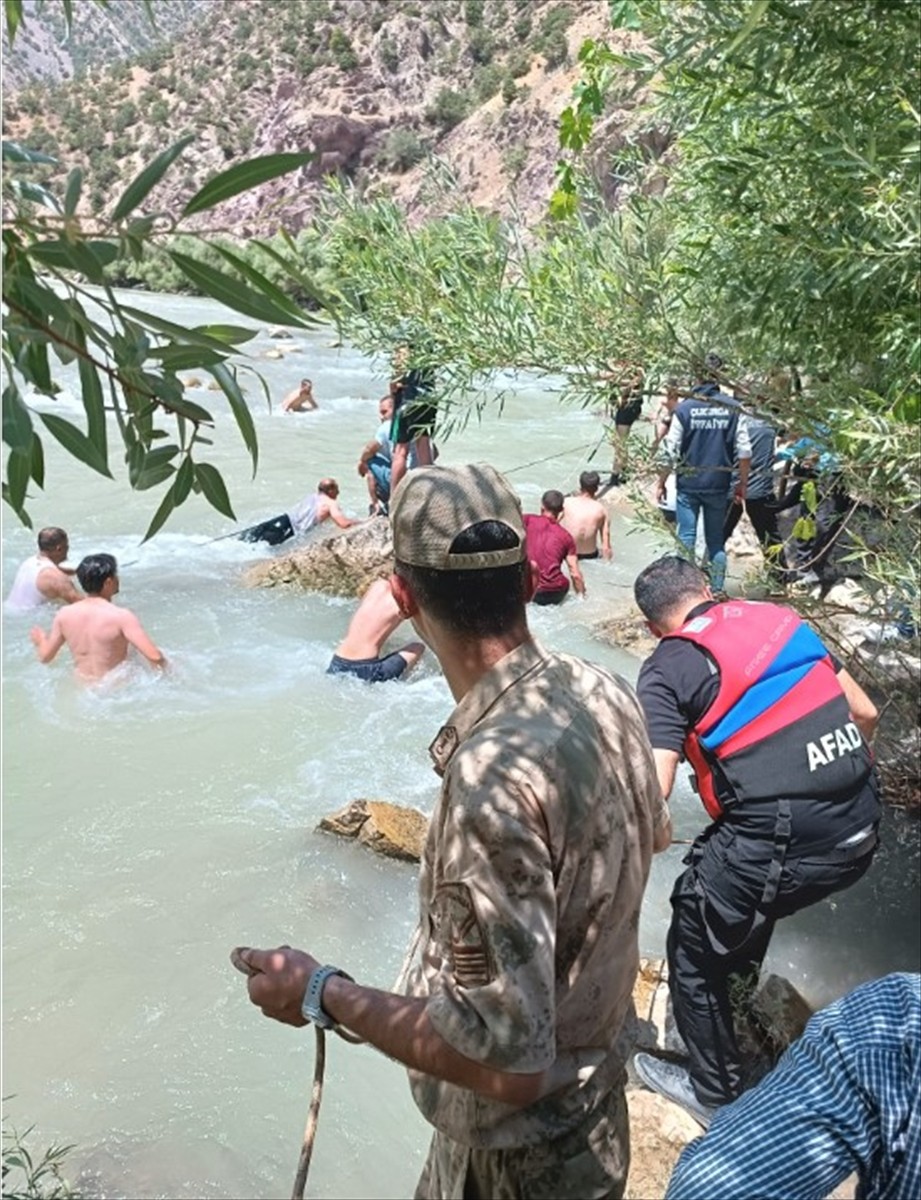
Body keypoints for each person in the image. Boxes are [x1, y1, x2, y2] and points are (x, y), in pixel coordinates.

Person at [235, 462, 669, 1200]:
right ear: (530, 583)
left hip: (510, 1165)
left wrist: (321, 993)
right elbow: (647, 840)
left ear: (401, 598)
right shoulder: (603, 690)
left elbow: (507, 1065)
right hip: (592, 1124)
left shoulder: (492, 778)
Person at [631, 555, 881, 1128]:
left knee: (693, 941)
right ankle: (739, 1013)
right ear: (707, 590)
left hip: (786, 842)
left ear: (652, 627)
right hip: (862, 826)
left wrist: (648, 840)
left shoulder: (669, 665)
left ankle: (714, 1092)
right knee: (741, 900)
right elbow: (864, 713)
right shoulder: (780, 619)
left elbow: (656, 788)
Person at [665, 973, 921, 1200]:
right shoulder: (896, 1020)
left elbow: (709, 1189)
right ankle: (718, 1091)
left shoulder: (896, 1017)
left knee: (696, 961)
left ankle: (711, 1094)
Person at [656, 353, 751, 595]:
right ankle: (717, 590)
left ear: (697, 375)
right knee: (715, 540)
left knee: (686, 536)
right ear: (720, 376)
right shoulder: (733, 408)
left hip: (689, 484)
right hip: (719, 485)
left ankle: (685, 590)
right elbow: (745, 451)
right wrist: (742, 483)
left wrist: (661, 481)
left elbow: (670, 450)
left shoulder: (685, 409)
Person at [30, 553, 166, 681]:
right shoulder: (122, 616)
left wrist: (40, 640)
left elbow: (45, 657)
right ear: (108, 582)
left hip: (82, 689)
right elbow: (155, 657)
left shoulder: (64, 614)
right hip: (116, 690)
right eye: (115, 575)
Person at [722, 409, 785, 584]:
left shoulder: (731, 422)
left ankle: (708, 581)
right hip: (760, 491)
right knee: (771, 539)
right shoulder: (770, 421)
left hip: (732, 489)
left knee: (717, 537)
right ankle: (779, 583)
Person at [326, 577, 426, 683]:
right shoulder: (404, 601)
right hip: (367, 669)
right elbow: (424, 629)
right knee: (418, 647)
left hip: (337, 662)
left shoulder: (378, 586)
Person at [238, 478, 358, 546]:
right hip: (286, 530)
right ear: (330, 490)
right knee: (251, 548)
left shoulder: (313, 497)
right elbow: (343, 523)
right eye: (337, 489)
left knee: (241, 542)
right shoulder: (331, 503)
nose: (339, 492)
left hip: (280, 520)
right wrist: (360, 521)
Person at [389, 342, 437, 496]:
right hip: (428, 397)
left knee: (400, 450)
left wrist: (393, 390)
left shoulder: (403, 336)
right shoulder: (430, 339)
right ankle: (429, 494)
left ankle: (394, 498)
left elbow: (398, 375)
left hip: (406, 398)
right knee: (423, 445)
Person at [523, 489, 586, 605]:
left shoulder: (527, 520)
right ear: (561, 511)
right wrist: (582, 597)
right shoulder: (566, 537)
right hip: (557, 591)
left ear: (542, 507)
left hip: (531, 590)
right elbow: (575, 574)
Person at [6, 526, 81, 610]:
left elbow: (55, 571)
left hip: (10, 611)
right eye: (67, 546)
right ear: (59, 549)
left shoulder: (30, 562)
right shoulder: (56, 578)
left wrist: (80, 571)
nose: (68, 549)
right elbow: (84, 604)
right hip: (30, 617)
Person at [603, 361, 645, 488]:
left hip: (628, 409)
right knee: (619, 442)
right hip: (624, 409)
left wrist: (617, 379)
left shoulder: (637, 369)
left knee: (620, 443)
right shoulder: (620, 370)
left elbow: (637, 381)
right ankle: (625, 472)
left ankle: (615, 477)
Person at [561, 471, 612, 561]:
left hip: (566, 554)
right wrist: (608, 561)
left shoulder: (566, 503)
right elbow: (606, 547)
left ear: (580, 486)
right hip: (590, 556)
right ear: (596, 489)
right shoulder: (602, 510)